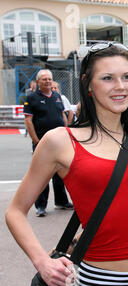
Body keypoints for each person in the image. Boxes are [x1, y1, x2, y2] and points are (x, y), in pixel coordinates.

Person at [5, 43, 128, 286]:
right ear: (88, 84)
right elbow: (15, 212)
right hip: (99, 283)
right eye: (107, 78)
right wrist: (43, 263)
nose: (120, 86)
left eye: (127, 77)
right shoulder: (60, 141)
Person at [23, 69, 73, 217]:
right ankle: (41, 206)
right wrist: (36, 141)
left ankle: (61, 201)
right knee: (42, 175)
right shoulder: (31, 98)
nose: (48, 82)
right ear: (38, 82)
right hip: (42, 143)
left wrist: (66, 132)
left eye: (50, 79)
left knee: (60, 173)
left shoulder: (57, 96)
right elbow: (28, 120)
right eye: (44, 79)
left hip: (59, 143)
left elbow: (62, 116)